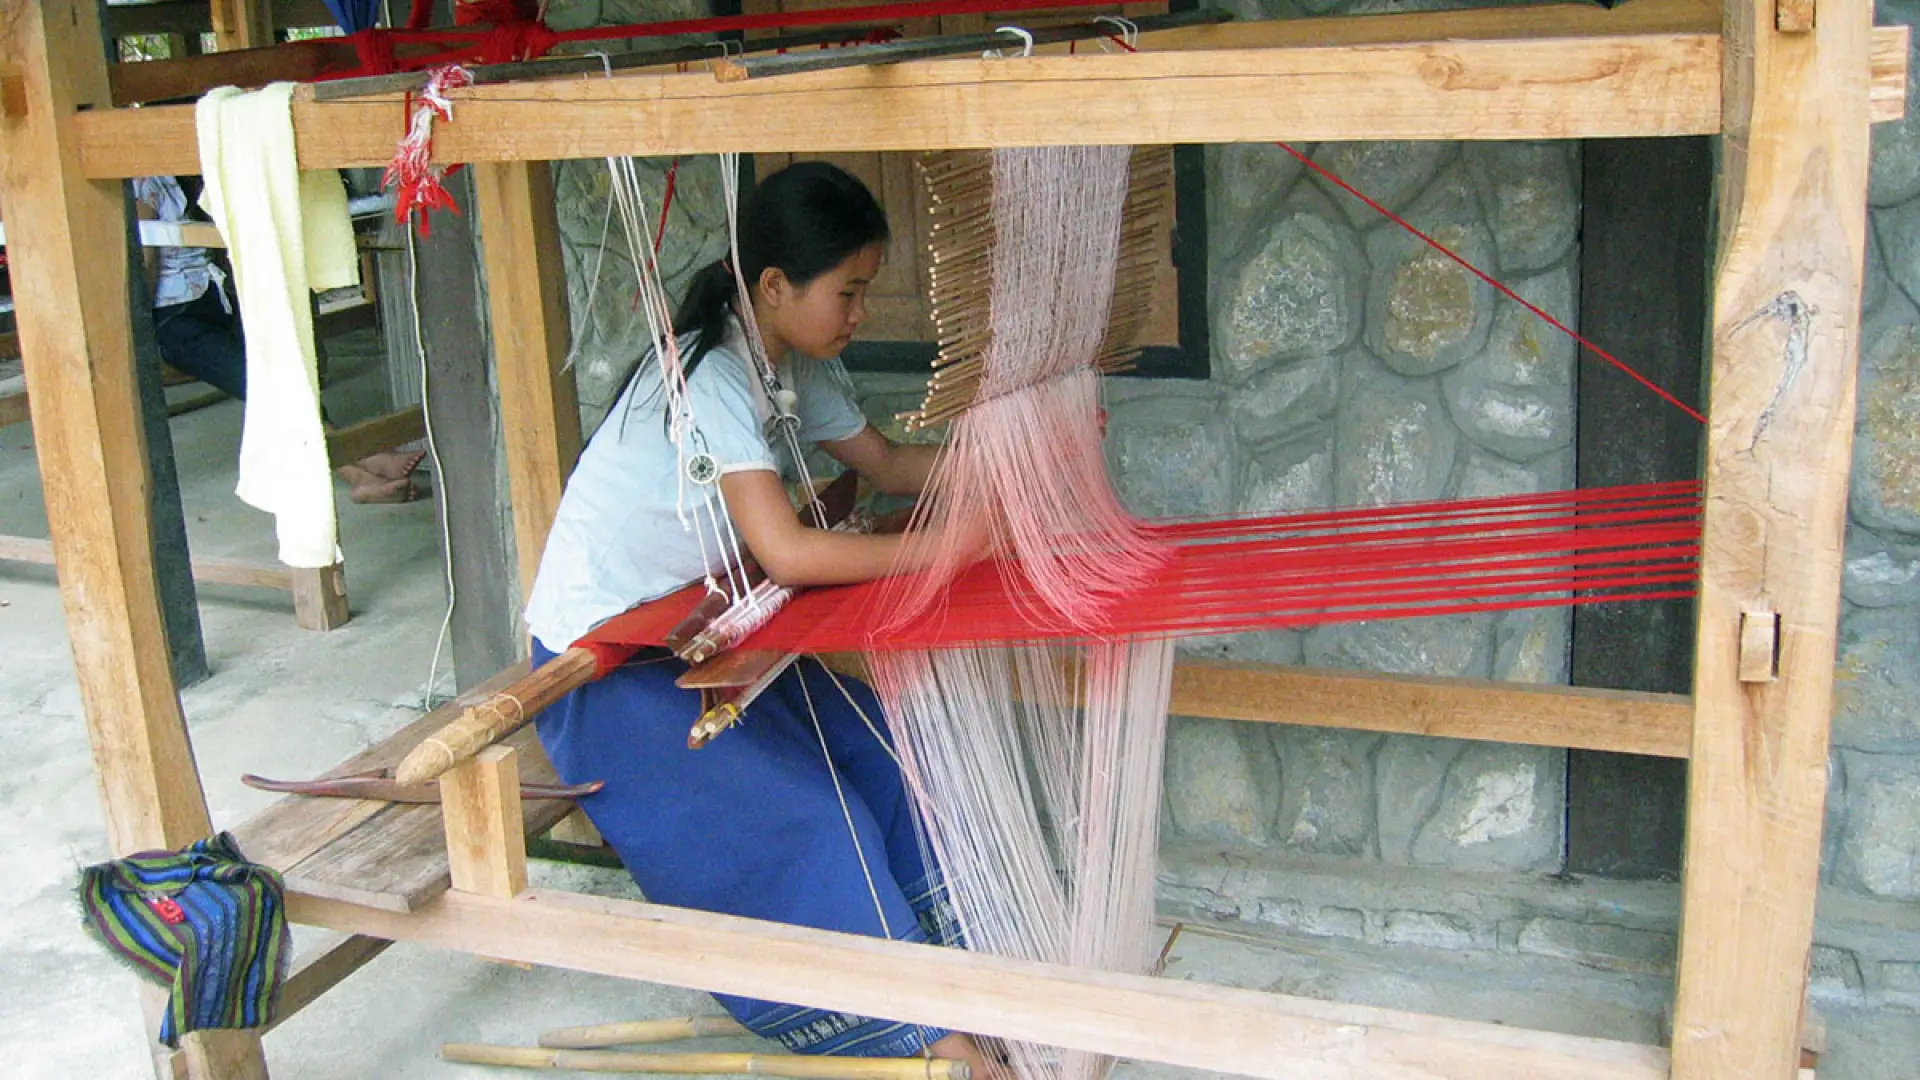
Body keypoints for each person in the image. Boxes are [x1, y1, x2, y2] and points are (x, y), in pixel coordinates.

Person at [523, 162, 998, 1074]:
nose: (860, 313)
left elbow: (889, 464)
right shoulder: (710, 378)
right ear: (775, 286)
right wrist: (951, 548)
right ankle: (925, 1043)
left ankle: (958, 979)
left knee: (884, 749)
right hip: (601, 666)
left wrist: (1008, 462)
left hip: (698, 634)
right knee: (814, 818)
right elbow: (789, 553)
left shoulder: (787, 362)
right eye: (848, 292)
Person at [130, 175, 425, 503]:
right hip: (175, 322)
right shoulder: (144, 183)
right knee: (272, 393)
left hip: (211, 302)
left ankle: (364, 457)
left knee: (283, 383)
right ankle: (359, 474)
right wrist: (138, 331)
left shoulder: (185, 175)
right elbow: (145, 262)